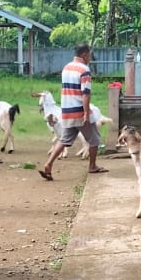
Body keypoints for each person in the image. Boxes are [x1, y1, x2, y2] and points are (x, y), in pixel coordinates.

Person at [38, 44, 105, 180]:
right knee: (95, 140)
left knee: (64, 140)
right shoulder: (84, 70)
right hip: (79, 111)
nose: (90, 58)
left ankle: (49, 164)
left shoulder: (66, 68)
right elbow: (85, 94)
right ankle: (92, 166)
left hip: (67, 111)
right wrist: (86, 113)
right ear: (85, 55)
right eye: (90, 55)